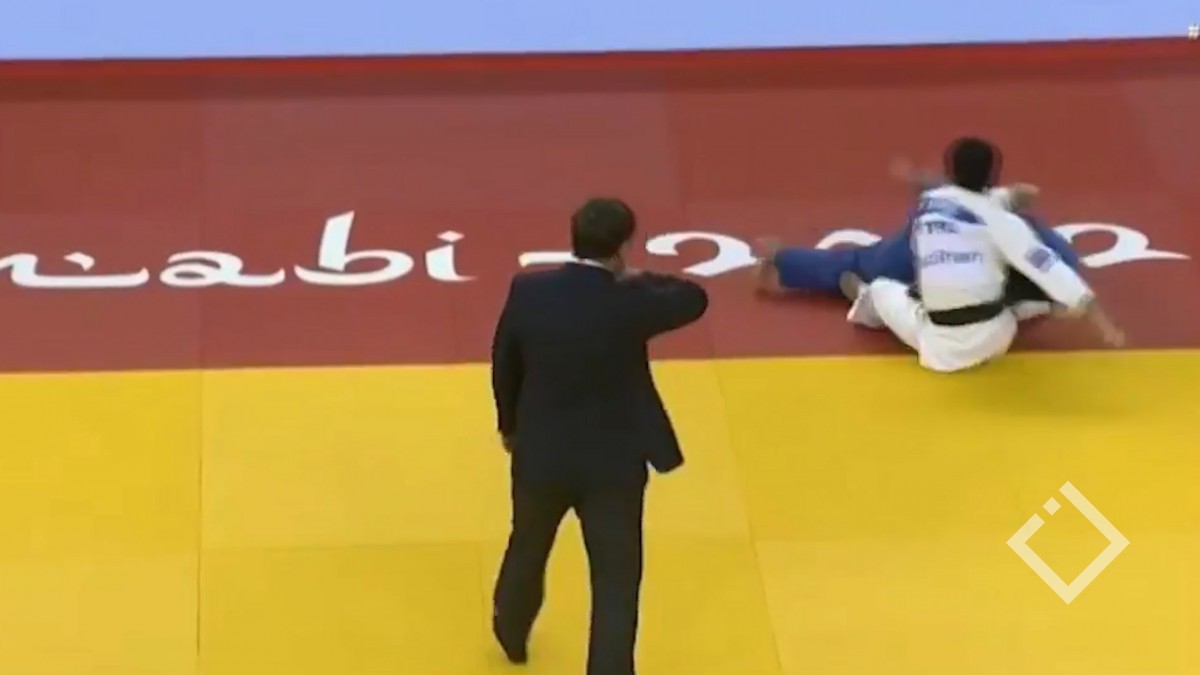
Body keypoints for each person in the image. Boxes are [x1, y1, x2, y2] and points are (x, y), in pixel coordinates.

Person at [490, 197, 709, 674]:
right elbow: (694, 298)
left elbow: (504, 362)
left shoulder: (529, 291)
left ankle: (511, 629)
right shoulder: (632, 301)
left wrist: (509, 426)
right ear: (624, 246)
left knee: (528, 543)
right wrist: (638, 277)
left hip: (542, 451)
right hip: (614, 461)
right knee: (616, 578)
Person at [838, 137, 1124, 372]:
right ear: (992, 175)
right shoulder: (1003, 223)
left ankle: (867, 298)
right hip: (995, 337)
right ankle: (1038, 307)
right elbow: (1052, 269)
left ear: (951, 172)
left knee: (882, 290)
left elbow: (952, 193)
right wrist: (1105, 326)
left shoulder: (929, 204)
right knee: (1011, 285)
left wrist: (912, 175)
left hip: (938, 348)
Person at [753, 166, 1080, 321]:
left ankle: (867, 296)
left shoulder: (1044, 255)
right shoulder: (920, 252)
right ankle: (784, 259)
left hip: (954, 251)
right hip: (934, 244)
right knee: (867, 267)